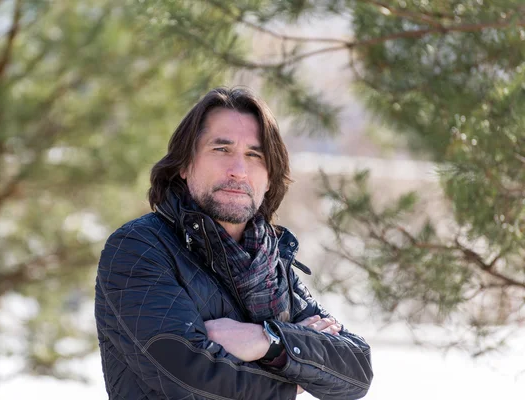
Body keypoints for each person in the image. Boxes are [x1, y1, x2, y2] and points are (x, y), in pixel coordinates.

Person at [95, 87, 373, 400]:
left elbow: (356, 371)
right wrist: (295, 378)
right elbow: (191, 381)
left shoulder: (271, 264)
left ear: (269, 179)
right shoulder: (138, 248)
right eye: (221, 150)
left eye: (254, 156)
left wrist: (269, 341)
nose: (238, 171)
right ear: (185, 165)